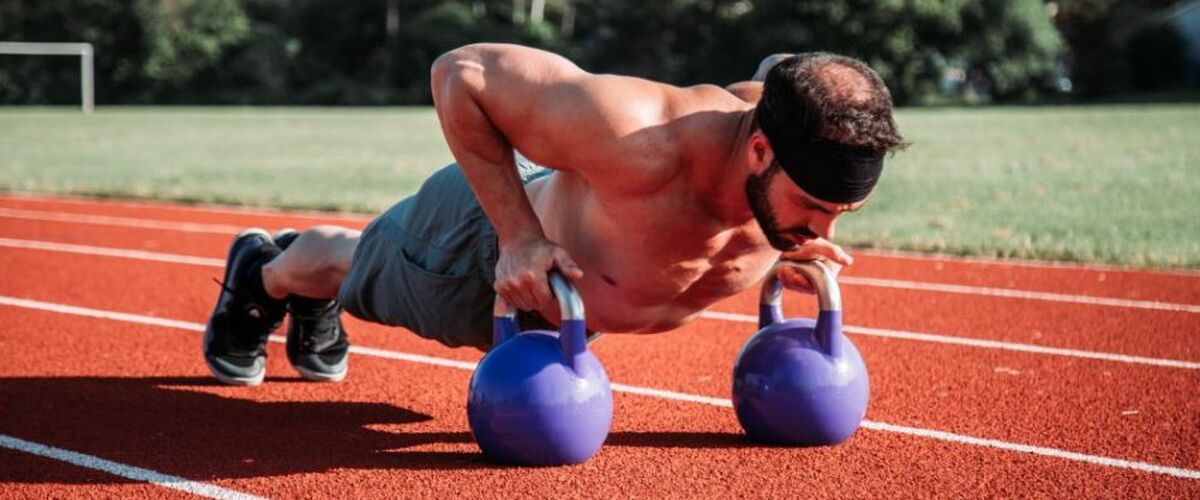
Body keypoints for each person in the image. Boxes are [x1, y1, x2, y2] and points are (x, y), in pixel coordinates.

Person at [202, 44, 906, 386]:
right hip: (476, 255)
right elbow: (461, 74)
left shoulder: (790, 131)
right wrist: (517, 237)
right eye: (813, 210)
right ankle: (267, 273)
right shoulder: (640, 135)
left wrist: (793, 230)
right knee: (349, 266)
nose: (825, 234)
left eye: (843, 213)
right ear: (757, 151)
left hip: (574, 266)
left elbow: (785, 62)